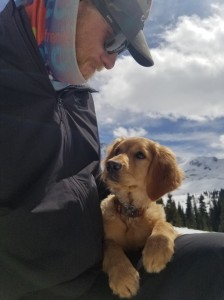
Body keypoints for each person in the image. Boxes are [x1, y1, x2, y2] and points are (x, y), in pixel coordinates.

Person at [0, 0, 223, 299]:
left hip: (102, 271)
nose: (110, 61)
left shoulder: (77, 97)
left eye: (119, 50)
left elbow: (92, 182)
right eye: (115, 39)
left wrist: (141, 218)